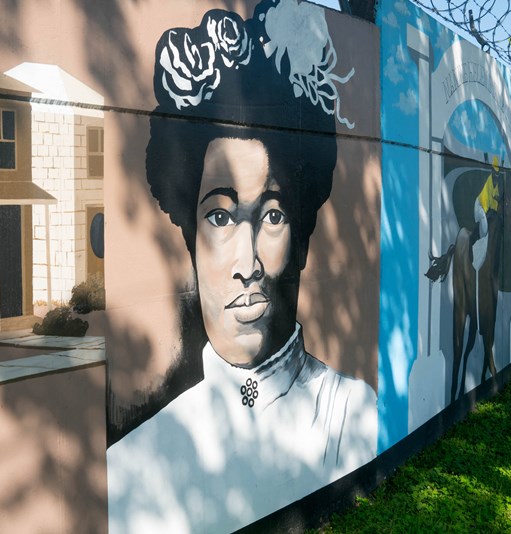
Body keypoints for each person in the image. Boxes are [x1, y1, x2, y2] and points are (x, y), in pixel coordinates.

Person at [107, 1, 378, 532]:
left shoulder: (352, 415)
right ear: (190, 242)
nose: (247, 263)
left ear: (302, 240)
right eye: (220, 216)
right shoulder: (133, 463)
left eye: (272, 215)